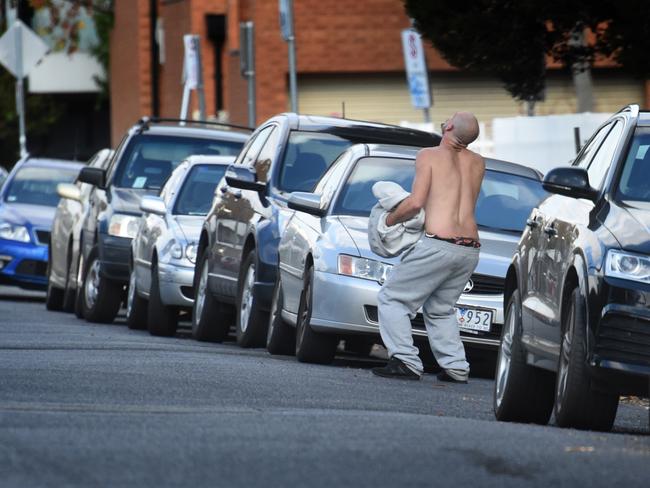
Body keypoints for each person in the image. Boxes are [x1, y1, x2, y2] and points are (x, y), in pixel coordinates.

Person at [372, 112, 484, 383]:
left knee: (393, 299)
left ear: (448, 126)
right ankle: (457, 367)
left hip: (438, 244)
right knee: (441, 308)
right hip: (470, 249)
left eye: (449, 118)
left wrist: (387, 220)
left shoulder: (428, 155)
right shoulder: (479, 163)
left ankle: (405, 360)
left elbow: (415, 203)